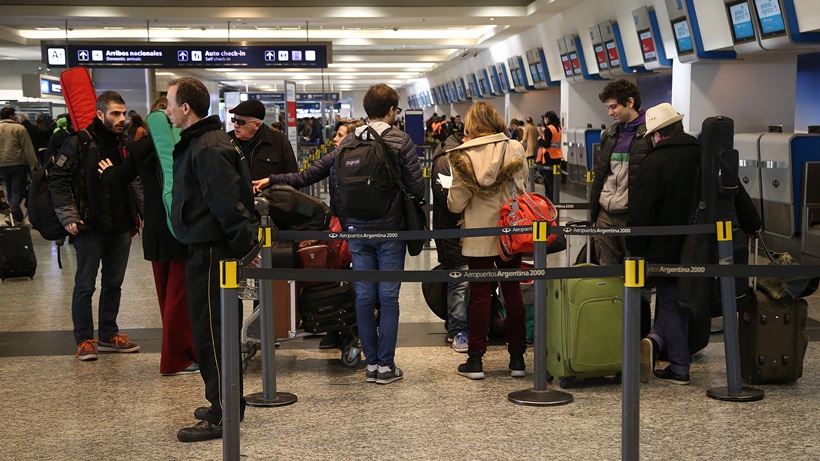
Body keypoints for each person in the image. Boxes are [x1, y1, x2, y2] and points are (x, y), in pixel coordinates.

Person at [165, 77, 260, 442]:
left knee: (212, 335)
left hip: (211, 254)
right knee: (214, 332)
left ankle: (223, 414)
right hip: (206, 250)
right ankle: (227, 402)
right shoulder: (207, 141)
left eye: (170, 103)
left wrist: (245, 248)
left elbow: (227, 204)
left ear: (186, 107)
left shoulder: (207, 146)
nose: (167, 110)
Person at [97, 97, 198, 377]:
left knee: (166, 296)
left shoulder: (140, 147)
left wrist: (107, 170)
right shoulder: (184, 145)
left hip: (154, 230)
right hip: (178, 228)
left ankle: (177, 353)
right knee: (179, 298)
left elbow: (120, 177)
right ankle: (176, 359)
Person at [330, 83, 423, 384]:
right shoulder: (400, 139)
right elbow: (416, 185)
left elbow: (336, 186)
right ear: (392, 110)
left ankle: (370, 364)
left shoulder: (348, 142)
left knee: (364, 297)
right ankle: (386, 366)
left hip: (357, 229)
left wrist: (347, 222)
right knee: (389, 297)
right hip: (390, 228)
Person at [48, 91, 142, 360]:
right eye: (115, 113)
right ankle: (84, 339)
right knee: (85, 286)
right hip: (89, 227)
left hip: (121, 227)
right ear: (100, 114)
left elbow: (133, 181)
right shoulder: (78, 142)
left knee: (114, 284)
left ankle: (109, 335)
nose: (122, 118)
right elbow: (57, 178)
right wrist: (69, 216)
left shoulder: (124, 144)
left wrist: (142, 213)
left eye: (123, 113)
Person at [447, 101, 529, 380]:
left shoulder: (462, 155)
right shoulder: (514, 148)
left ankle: (476, 360)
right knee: (513, 292)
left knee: (480, 295)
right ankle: (517, 359)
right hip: (510, 234)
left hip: (478, 234)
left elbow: (456, 204)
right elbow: (523, 188)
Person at [630, 103, 699, 385]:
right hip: (702, 244)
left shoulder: (655, 162)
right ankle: (656, 340)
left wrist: (636, 247)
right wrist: (752, 224)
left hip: (665, 247)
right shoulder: (703, 153)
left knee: (670, 302)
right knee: (682, 301)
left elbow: (641, 209)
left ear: (657, 135)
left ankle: (680, 366)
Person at [590, 79, 652, 265]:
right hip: (605, 214)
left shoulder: (649, 134)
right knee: (606, 269)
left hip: (632, 216)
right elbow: (603, 174)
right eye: (608, 107)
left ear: (630, 102)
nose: (610, 113)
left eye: (613, 106)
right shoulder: (609, 134)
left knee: (636, 270)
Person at [430, 126, 469, 352]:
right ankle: (457, 330)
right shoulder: (446, 160)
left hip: (465, 229)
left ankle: (460, 324)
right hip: (451, 231)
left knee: (464, 280)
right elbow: (447, 201)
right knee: (459, 279)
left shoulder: (464, 155)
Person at [252, 119, 362, 194]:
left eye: (340, 135)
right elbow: (304, 177)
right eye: (336, 135)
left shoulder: (367, 158)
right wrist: (271, 180)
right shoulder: (334, 157)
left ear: (352, 138)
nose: (335, 139)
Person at [228, 100, 298, 179]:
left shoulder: (279, 142)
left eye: (240, 122)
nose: (235, 125)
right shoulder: (227, 140)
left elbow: (292, 177)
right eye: (234, 120)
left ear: (256, 125)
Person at [0, 106, 37, 226]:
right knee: (18, 190)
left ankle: (17, 218)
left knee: (9, 190)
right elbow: (28, 148)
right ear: (11, 116)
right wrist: (34, 166)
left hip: (2, 165)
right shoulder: (19, 128)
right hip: (18, 164)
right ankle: (11, 211)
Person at [536, 111, 563, 197]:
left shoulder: (548, 129)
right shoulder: (558, 128)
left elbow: (546, 144)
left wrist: (539, 139)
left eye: (544, 118)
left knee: (549, 182)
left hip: (549, 157)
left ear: (547, 119)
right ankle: (554, 199)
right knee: (554, 182)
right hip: (557, 156)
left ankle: (549, 200)